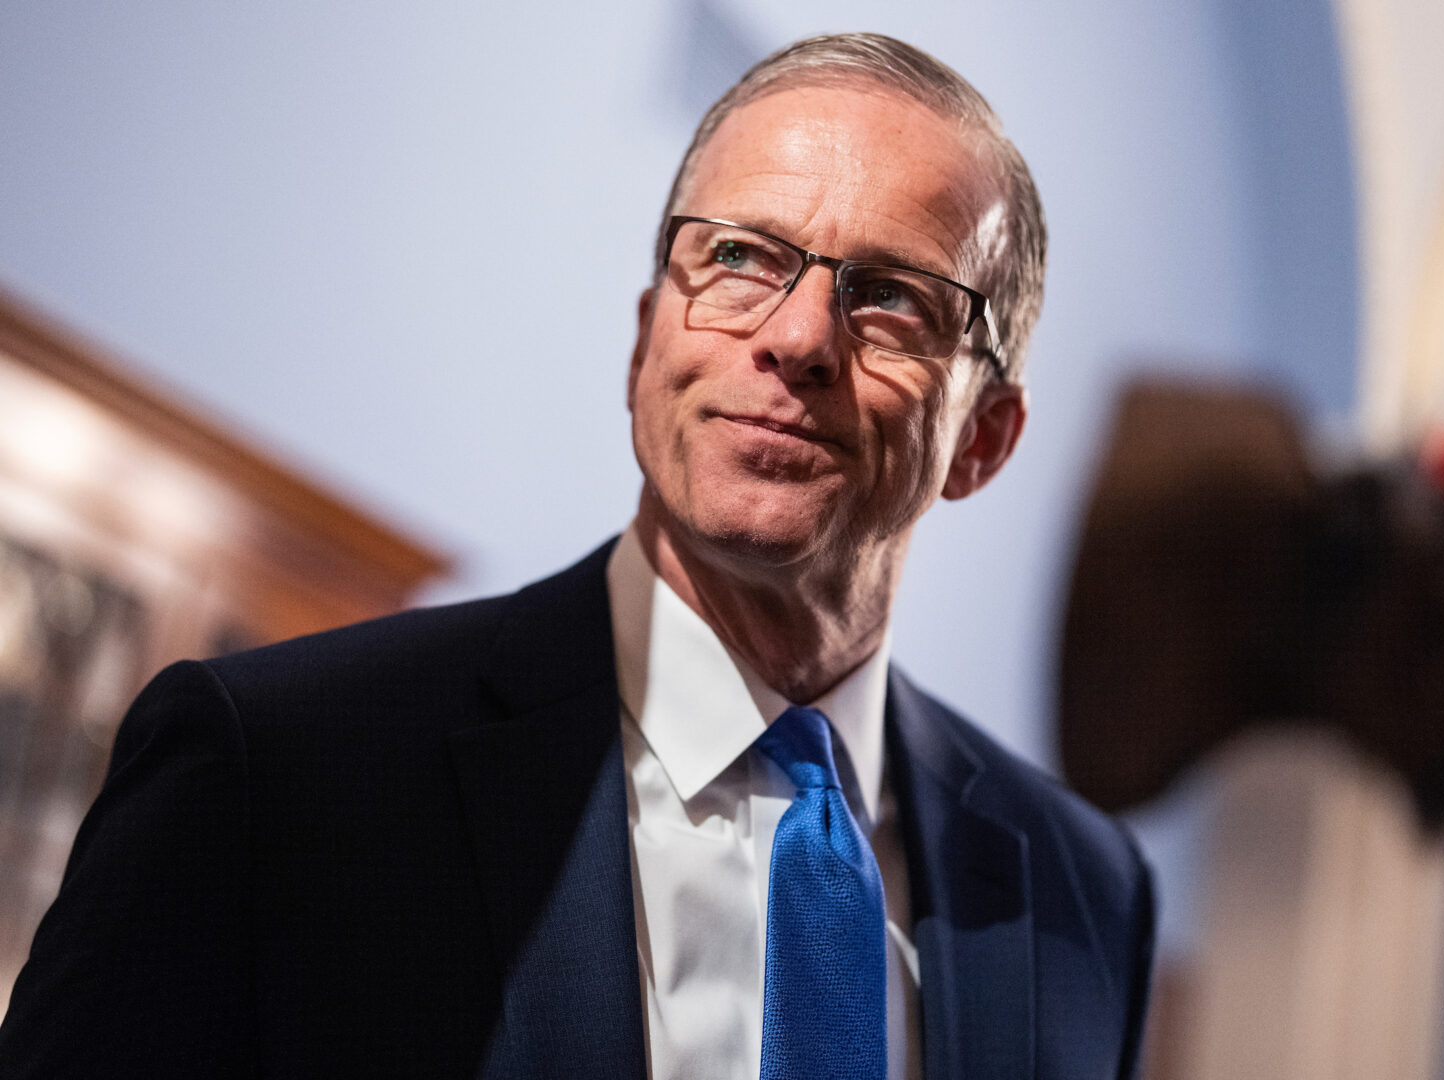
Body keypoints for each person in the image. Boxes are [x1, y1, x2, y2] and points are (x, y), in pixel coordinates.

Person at [0, 32, 1154, 1080]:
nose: (796, 337)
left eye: (891, 298)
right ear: (649, 339)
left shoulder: (1085, 898)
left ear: (985, 440)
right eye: (745, 256)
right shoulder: (281, 772)